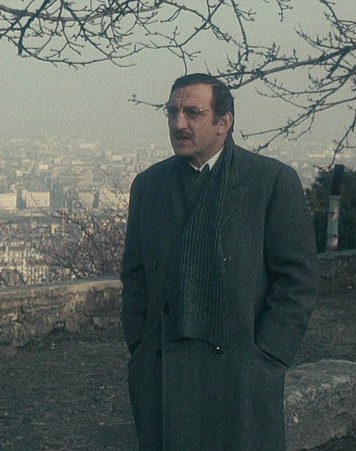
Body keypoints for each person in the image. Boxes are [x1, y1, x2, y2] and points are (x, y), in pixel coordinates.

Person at [120, 73, 319, 450]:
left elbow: (299, 281)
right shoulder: (149, 186)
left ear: (223, 122)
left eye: (192, 113)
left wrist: (268, 356)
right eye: (172, 112)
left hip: (241, 373)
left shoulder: (270, 182)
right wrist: (141, 346)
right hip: (164, 369)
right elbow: (135, 276)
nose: (179, 123)